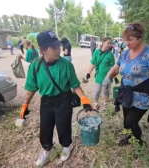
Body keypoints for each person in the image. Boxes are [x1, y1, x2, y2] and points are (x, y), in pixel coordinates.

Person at [19, 30, 93, 167]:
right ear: (43, 50)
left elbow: (75, 85)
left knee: (63, 126)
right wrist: (25, 105)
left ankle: (67, 146)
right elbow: (30, 90)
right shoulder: (35, 66)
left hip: (64, 100)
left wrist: (84, 99)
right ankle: (46, 150)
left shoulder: (66, 65)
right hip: (46, 102)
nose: (59, 50)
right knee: (45, 127)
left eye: (58, 46)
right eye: (54, 48)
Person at [102, 23, 149, 146]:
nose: (127, 43)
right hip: (126, 94)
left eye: (130, 40)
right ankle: (129, 138)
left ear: (140, 37)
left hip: (142, 97)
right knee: (126, 120)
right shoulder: (124, 54)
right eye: (125, 40)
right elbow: (116, 68)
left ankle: (139, 142)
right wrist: (108, 78)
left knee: (130, 122)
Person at [86, 37, 119, 110]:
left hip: (107, 78)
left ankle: (105, 104)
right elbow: (93, 63)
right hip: (99, 76)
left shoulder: (110, 55)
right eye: (108, 43)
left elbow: (112, 68)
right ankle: (96, 103)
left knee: (106, 92)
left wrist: (115, 78)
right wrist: (88, 73)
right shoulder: (96, 52)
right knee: (97, 91)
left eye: (110, 43)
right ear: (103, 42)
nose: (109, 45)